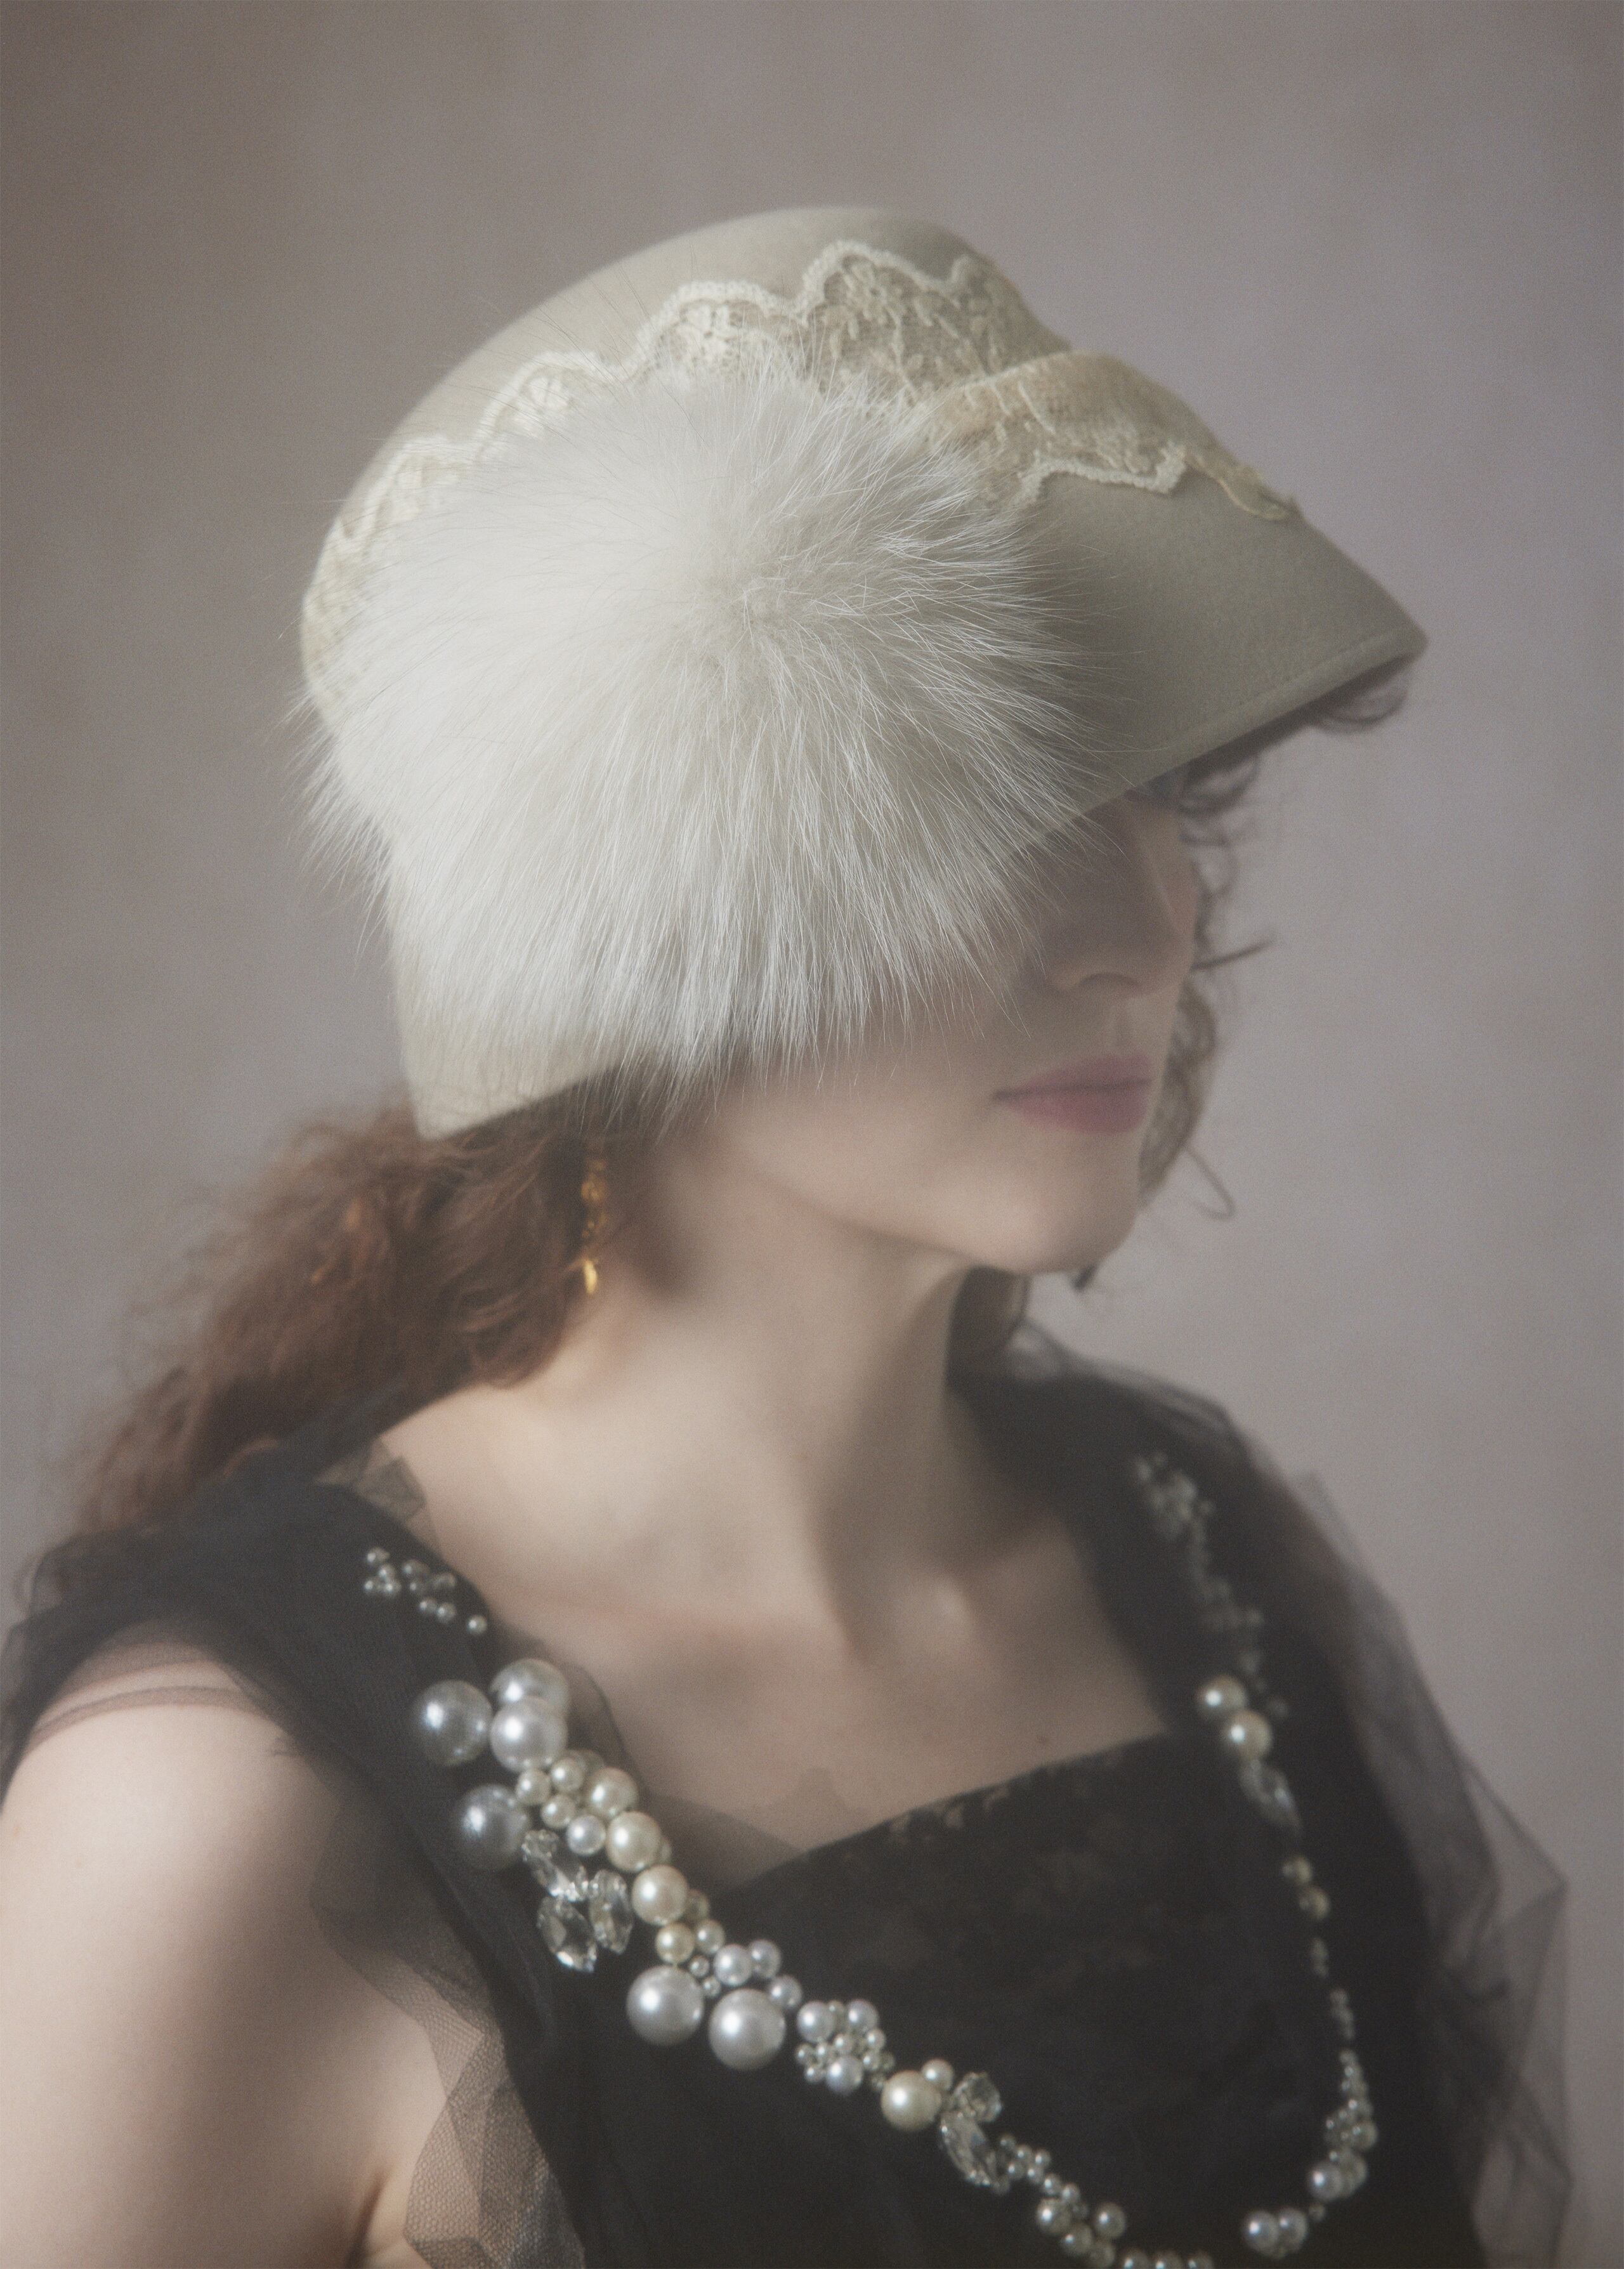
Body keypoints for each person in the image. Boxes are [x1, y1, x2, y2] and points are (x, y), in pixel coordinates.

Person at [0, 209, 1568, 2269]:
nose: (1142, 924)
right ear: (640, 908)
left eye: (1158, 783)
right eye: (972, 800)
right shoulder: (213, 1818)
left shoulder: (1208, 1573)